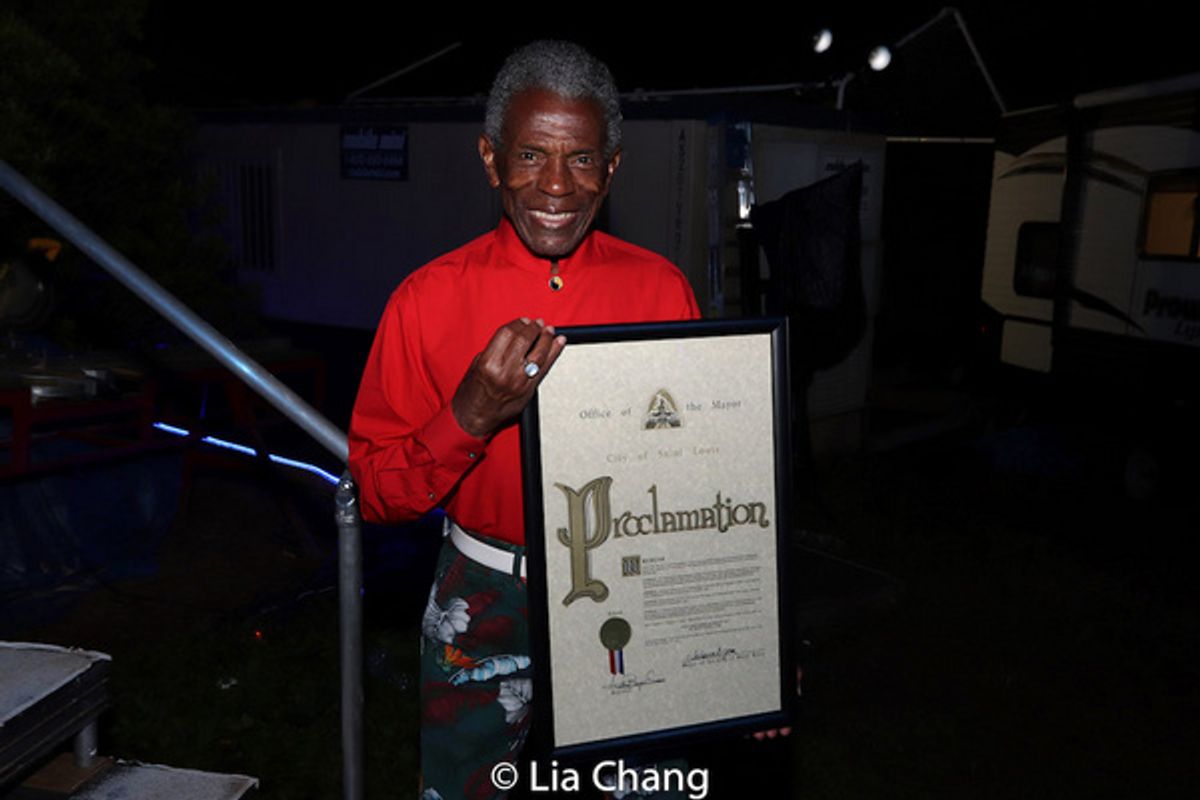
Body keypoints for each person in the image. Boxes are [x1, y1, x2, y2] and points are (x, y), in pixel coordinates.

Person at [348, 40, 699, 800]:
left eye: (580, 159)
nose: (555, 185)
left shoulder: (661, 291)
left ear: (612, 167)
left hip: (629, 582)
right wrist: (469, 415)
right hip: (483, 588)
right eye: (531, 154)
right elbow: (377, 492)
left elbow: (702, 475)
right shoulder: (425, 299)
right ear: (490, 158)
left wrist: (745, 639)